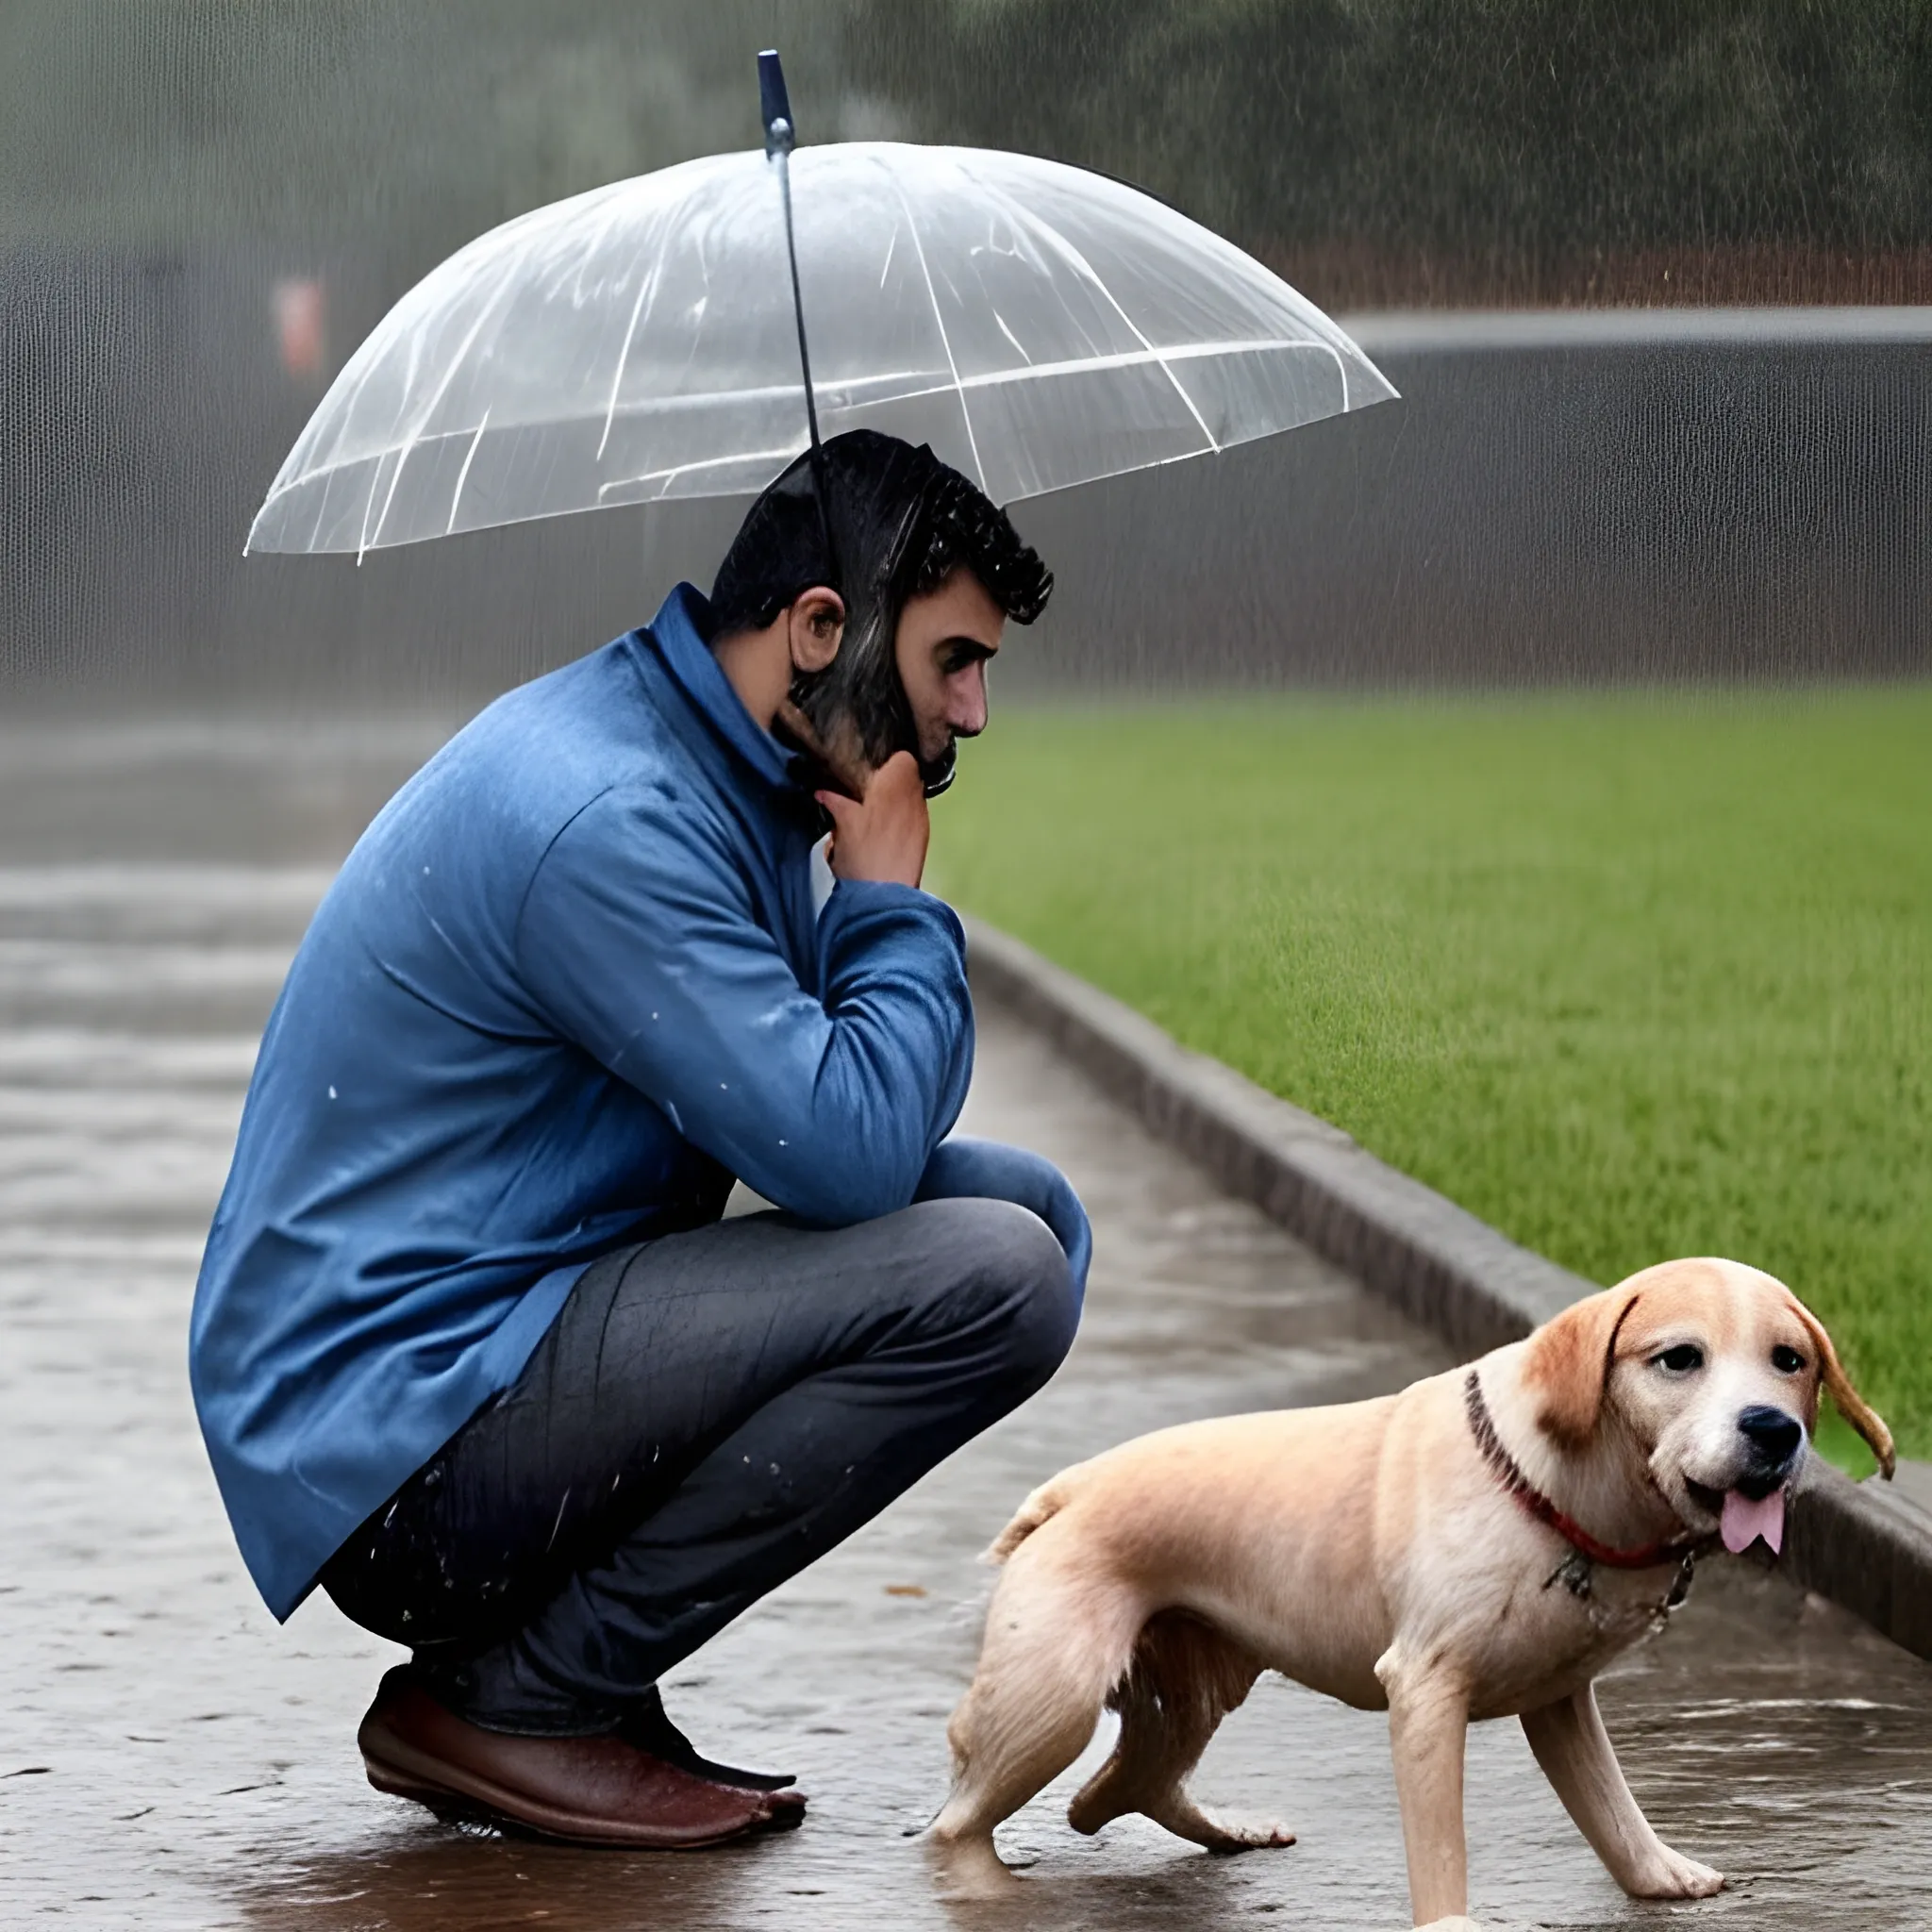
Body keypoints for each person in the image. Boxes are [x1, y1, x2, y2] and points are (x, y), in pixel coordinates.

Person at [189, 429, 1091, 1848]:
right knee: (997, 1277)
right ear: (818, 629)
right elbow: (851, 1153)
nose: (972, 712)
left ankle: (562, 1682)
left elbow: (862, 1116)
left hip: (504, 1332)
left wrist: (864, 906)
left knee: (1025, 1217)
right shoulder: (614, 817)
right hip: (401, 1440)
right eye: (953, 661)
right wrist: (894, 906)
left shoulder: (717, 776)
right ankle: (532, 1695)